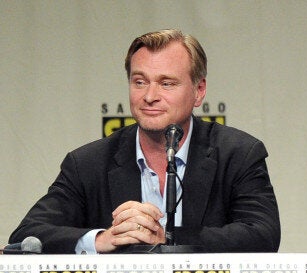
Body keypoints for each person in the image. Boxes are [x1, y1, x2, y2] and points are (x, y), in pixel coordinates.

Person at [9, 29, 281, 254]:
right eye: (139, 82)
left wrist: (167, 239)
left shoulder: (239, 153)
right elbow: (28, 235)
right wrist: (102, 239)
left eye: (167, 83)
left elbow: (262, 235)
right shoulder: (88, 163)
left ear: (199, 91)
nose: (150, 95)